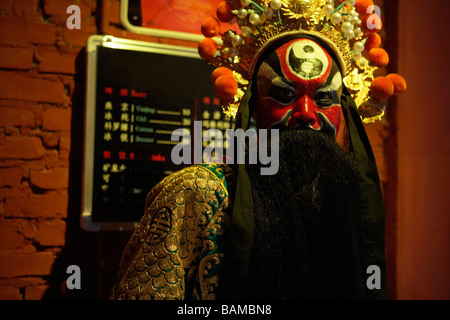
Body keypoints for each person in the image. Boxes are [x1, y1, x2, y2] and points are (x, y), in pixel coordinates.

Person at [111, 0, 406, 300]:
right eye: (284, 93)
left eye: (324, 99)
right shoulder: (196, 195)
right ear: (252, 106)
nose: (306, 112)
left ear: (343, 111)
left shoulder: (342, 204)